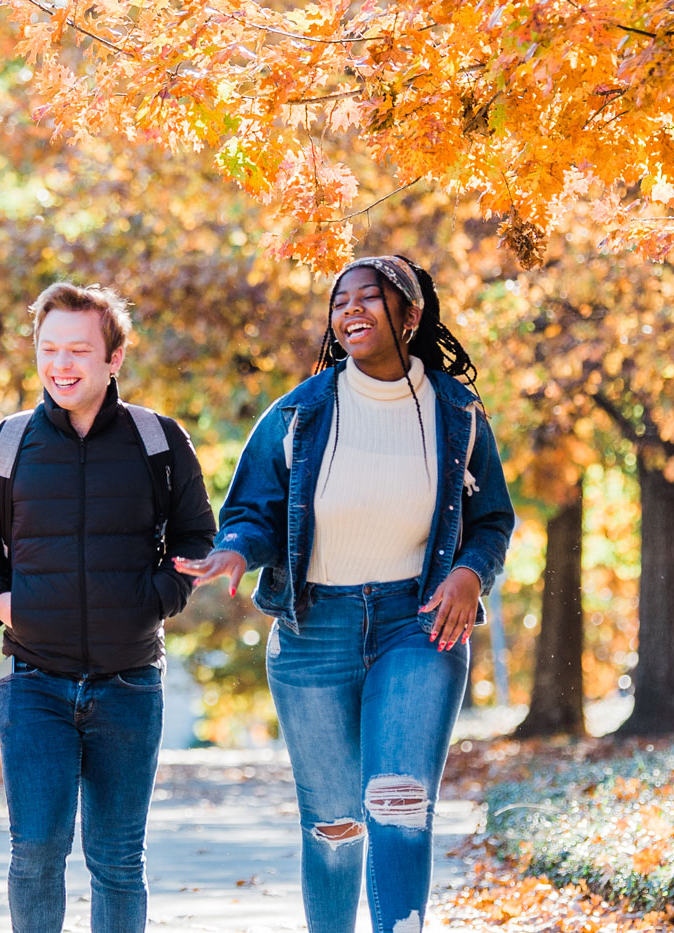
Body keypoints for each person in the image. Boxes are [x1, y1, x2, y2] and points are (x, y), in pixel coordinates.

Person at [178, 254, 514, 933]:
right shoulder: (298, 413)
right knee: (335, 825)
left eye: (369, 298)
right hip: (313, 629)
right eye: (340, 301)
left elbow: (491, 521)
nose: (350, 311)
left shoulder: (457, 412)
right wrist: (237, 550)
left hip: (416, 623)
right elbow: (254, 513)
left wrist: (470, 572)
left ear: (410, 316)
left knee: (398, 799)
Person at [0, 282, 216, 933]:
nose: (61, 364)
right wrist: (1, 601)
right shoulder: (6, 444)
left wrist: (154, 600)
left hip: (130, 682)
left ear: (114, 357)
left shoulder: (159, 441)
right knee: (37, 853)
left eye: (78, 349)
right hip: (35, 681)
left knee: (118, 859)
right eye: (50, 349)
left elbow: (196, 537)